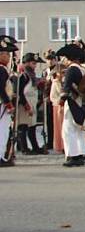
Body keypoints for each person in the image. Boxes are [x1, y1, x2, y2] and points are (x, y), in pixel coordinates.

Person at [57, 43, 85, 167]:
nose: (63, 60)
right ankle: (81, 153)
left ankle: (73, 155)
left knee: (68, 129)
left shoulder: (71, 69)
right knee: (79, 129)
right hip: (81, 101)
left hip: (72, 101)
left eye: (64, 57)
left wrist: (61, 101)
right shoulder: (82, 69)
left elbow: (66, 87)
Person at [15, 53, 47, 155]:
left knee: (32, 127)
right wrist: (26, 105)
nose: (35, 66)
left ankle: (35, 147)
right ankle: (24, 148)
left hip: (32, 104)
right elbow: (20, 93)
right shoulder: (23, 76)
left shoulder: (32, 76)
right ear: (27, 63)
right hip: (24, 105)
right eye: (33, 63)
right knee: (23, 127)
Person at [0, 35, 18, 167]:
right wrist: (8, 103)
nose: (8, 57)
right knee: (2, 130)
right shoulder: (1, 70)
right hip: (2, 104)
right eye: (6, 54)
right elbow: (1, 89)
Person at [49, 62, 65, 154]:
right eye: (61, 73)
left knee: (64, 126)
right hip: (58, 106)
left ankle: (64, 144)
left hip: (63, 105)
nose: (63, 75)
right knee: (59, 126)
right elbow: (52, 96)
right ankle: (60, 145)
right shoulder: (55, 82)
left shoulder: (63, 82)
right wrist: (60, 101)